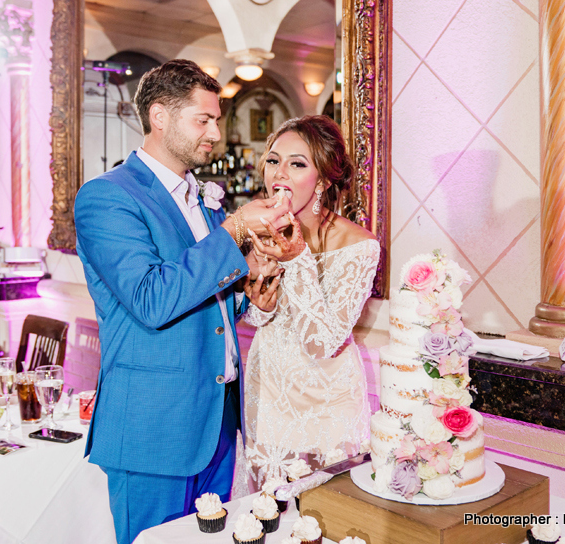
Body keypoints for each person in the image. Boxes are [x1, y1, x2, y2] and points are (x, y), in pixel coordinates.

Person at [74, 59, 290, 544]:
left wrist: (248, 294)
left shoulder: (203, 199)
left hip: (216, 419)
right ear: (159, 117)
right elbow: (151, 298)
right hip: (155, 427)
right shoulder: (108, 198)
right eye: (204, 119)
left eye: (218, 119)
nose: (216, 132)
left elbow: (206, 303)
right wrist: (234, 230)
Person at [241, 115, 380, 485]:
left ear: (323, 179)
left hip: (326, 402)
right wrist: (262, 306)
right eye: (273, 160)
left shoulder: (360, 247)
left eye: (297, 164)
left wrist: (298, 257)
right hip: (268, 391)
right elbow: (257, 319)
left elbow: (321, 343)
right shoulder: (258, 229)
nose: (279, 174)